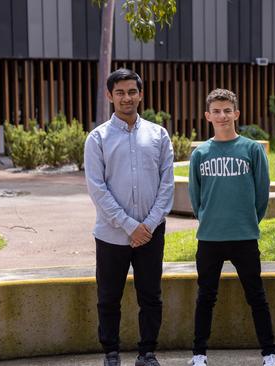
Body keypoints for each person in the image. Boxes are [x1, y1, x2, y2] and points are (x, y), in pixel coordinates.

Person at [84, 68, 174, 366]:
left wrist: (147, 226)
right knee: (108, 297)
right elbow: (97, 188)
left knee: (151, 296)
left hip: (151, 233)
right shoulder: (97, 138)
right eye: (120, 92)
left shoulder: (158, 135)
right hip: (111, 234)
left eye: (132, 92)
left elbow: (167, 184)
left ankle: (147, 353)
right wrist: (128, 225)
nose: (126, 98)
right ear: (110, 95)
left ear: (141, 94)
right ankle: (111, 353)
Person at [187, 89, 275, 366]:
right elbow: (196, 196)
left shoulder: (251, 149)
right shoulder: (201, 153)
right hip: (210, 237)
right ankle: (199, 354)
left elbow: (262, 194)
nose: (222, 115)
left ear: (236, 114)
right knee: (205, 296)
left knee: (256, 295)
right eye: (216, 111)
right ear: (208, 116)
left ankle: (270, 353)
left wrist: (249, 220)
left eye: (227, 110)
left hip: (244, 235)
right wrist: (208, 218)